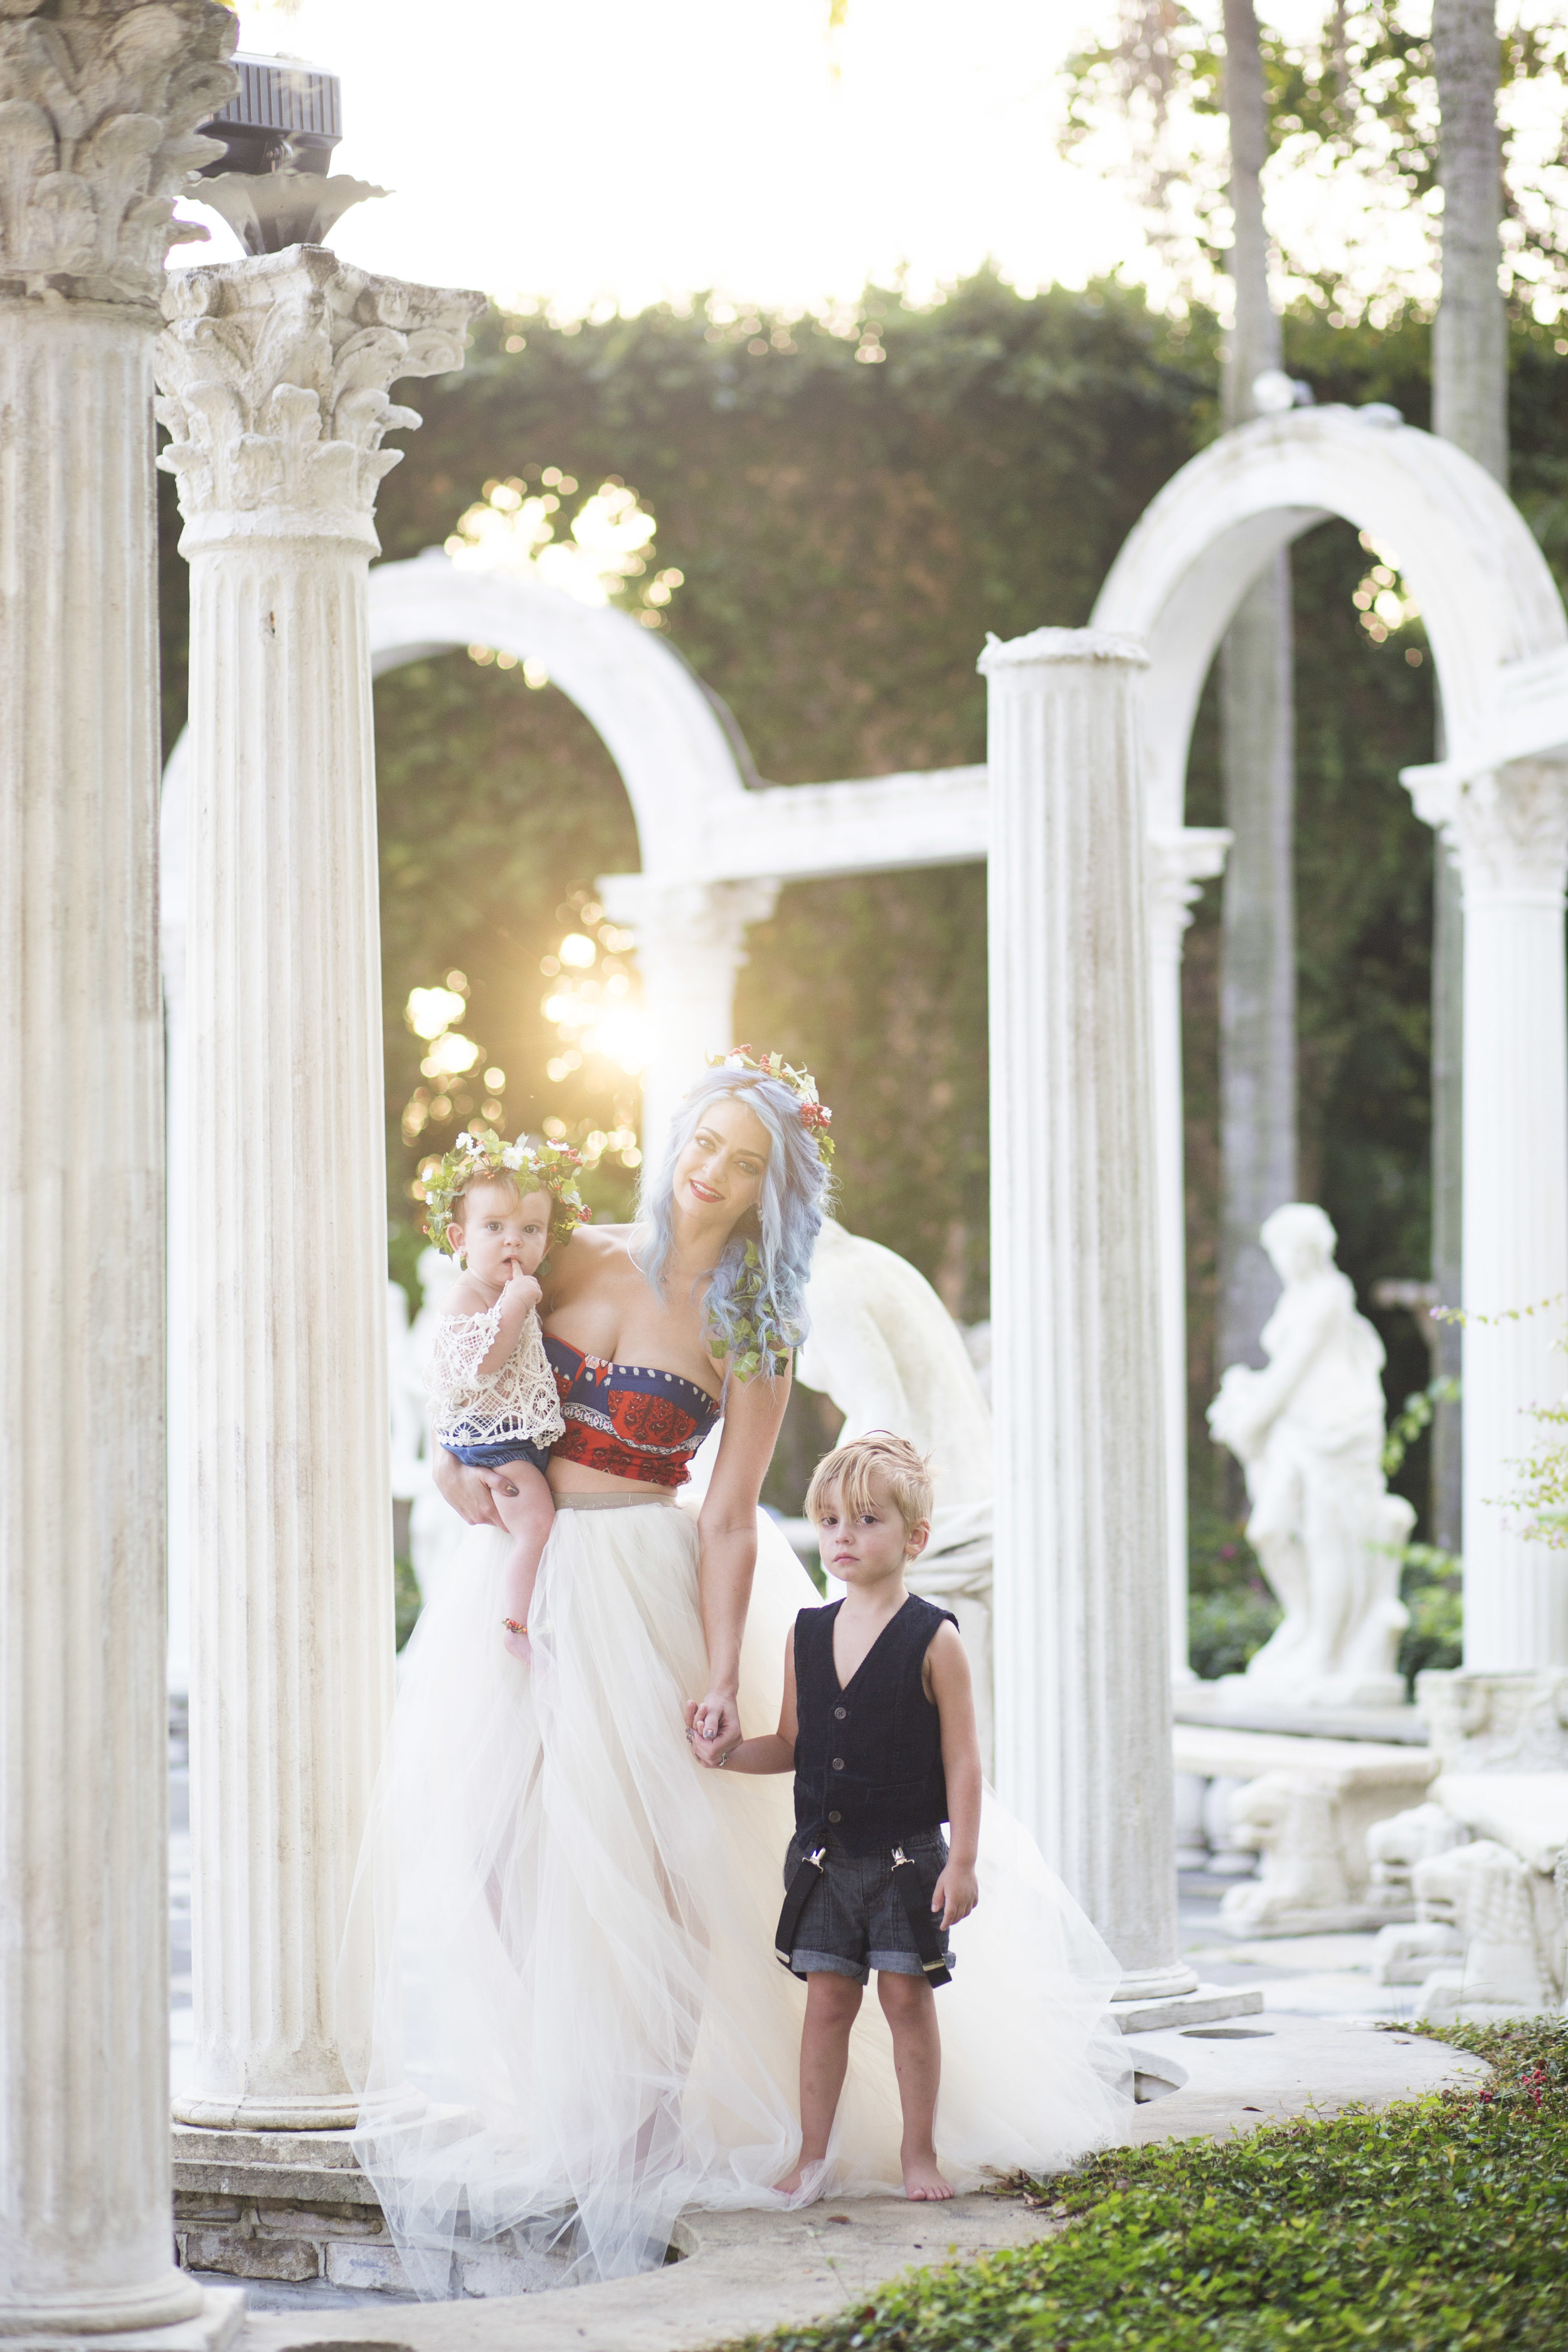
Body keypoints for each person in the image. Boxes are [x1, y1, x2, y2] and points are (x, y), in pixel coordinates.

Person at [344, 1049, 1131, 2299]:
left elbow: (725, 1516)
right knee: (492, 1851)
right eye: (700, 1143)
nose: (708, 1173)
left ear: (771, 1191)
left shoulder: (752, 1327)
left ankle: (640, 2138)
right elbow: (465, 1369)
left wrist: (723, 1669)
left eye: (742, 1163)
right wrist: (455, 1462)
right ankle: (561, 2088)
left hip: (649, 1586)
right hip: (519, 1587)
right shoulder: (575, 1249)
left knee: (657, 1864)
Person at [710, 1433, 980, 2201]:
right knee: (827, 2004)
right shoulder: (807, 1631)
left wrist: (962, 1862)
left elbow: (963, 1761)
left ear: (914, 1537)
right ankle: (811, 2155)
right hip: (824, 1864)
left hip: (905, 1864)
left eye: (865, 1520)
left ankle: (918, 2153)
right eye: (830, 1522)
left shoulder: (935, 1638)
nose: (843, 1537)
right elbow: (793, 1744)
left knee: (904, 1999)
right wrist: (730, 1754)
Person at [420, 1131, 590, 1660]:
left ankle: (529, 1613)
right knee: (536, 1523)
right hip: (492, 1444)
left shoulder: (504, 1290)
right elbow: (483, 1364)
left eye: (529, 1229)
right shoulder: (468, 1296)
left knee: (535, 1522)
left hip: (513, 1436)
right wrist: (516, 1304)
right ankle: (516, 1627)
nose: (512, 1242)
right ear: (459, 1238)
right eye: (494, 1227)